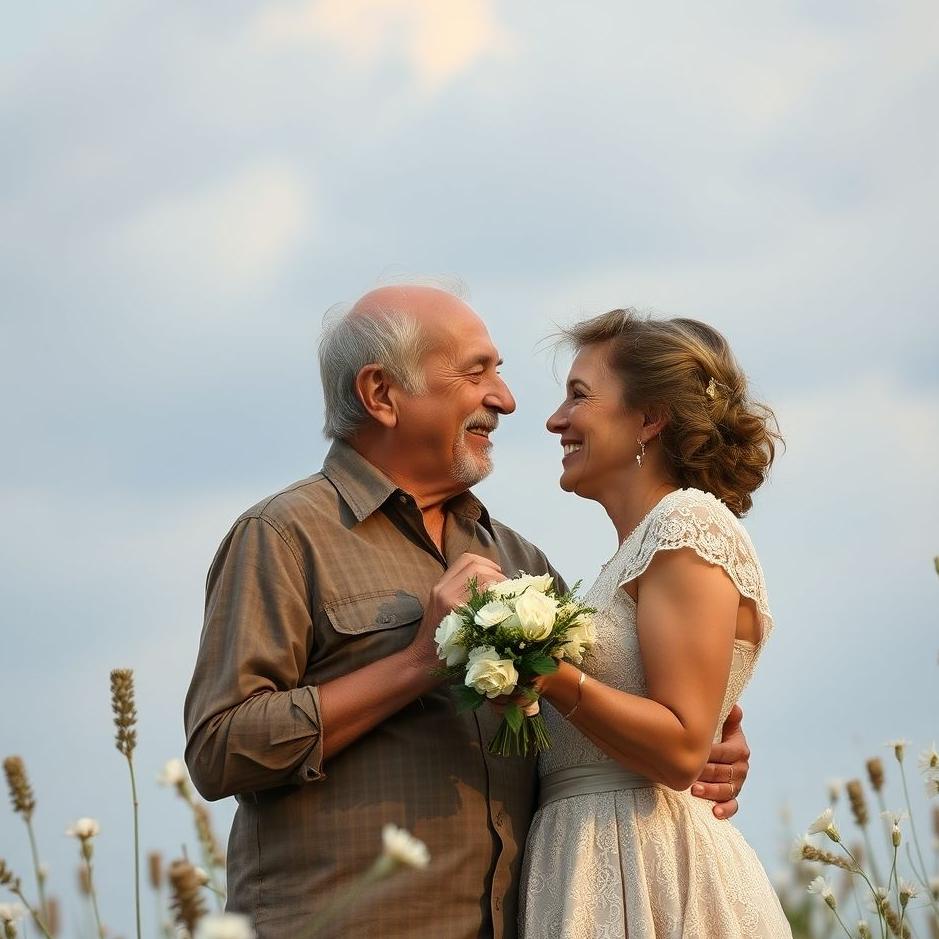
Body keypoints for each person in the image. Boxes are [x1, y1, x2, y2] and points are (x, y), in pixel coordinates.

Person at [184, 285, 751, 939]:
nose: (505, 399)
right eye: (476, 371)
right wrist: (415, 664)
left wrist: (702, 743)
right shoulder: (284, 535)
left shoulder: (520, 559)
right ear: (381, 395)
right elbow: (219, 748)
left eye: (500, 373)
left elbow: (587, 720)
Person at [518, 309, 790, 937]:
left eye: (578, 396)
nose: (556, 420)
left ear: (648, 418)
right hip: (585, 861)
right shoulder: (630, 554)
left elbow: (682, 747)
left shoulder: (687, 527)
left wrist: (547, 673)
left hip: (646, 866)